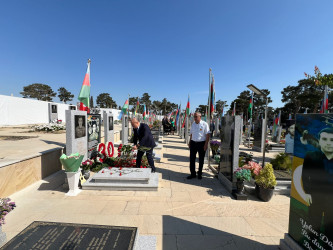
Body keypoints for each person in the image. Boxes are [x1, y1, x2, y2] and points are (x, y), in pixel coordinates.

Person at [294, 128, 333, 241]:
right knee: (313, 221)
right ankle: (310, 242)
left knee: (330, 227)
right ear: (319, 141)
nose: (328, 143)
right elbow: (305, 176)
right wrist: (307, 192)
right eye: (324, 139)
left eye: (332, 140)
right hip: (315, 197)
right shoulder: (311, 156)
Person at [187, 112, 210, 179]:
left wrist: (206, 144)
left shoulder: (204, 124)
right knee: (192, 159)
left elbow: (207, 135)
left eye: (196, 116)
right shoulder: (193, 124)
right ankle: (192, 173)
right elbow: (191, 134)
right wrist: (189, 142)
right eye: (194, 116)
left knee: (201, 159)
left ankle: (199, 173)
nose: (195, 118)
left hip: (201, 143)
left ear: (200, 117)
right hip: (193, 143)